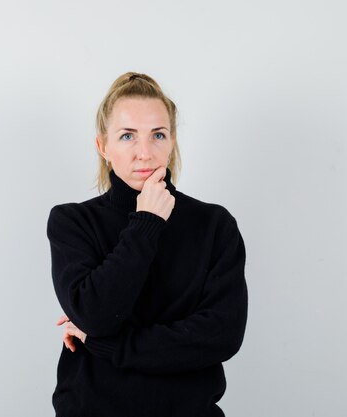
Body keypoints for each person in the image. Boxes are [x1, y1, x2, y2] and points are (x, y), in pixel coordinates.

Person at [46, 72, 248, 416]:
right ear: (103, 147)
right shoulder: (72, 222)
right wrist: (148, 223)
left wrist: (104, 344)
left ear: (172, 142)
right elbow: (97, 313)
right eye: (127, 136)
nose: (145, 152)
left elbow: (221, 336)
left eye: (158, 135)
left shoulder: (214, 225)